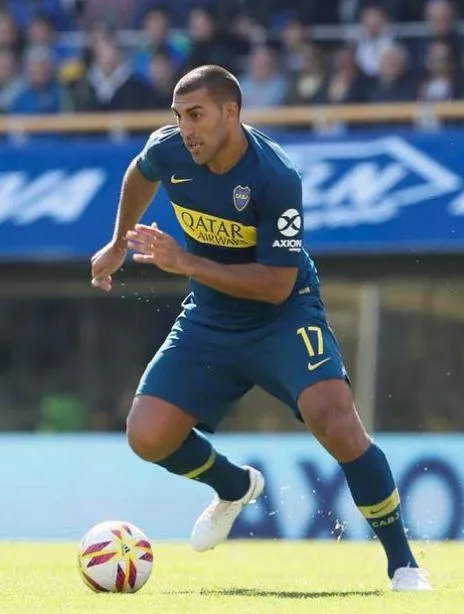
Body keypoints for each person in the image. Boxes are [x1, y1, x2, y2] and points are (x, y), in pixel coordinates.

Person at [89, 64, 430, 592]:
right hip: (210, 316)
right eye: (179, 117)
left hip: (283, 314)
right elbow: (140, 172)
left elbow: (275, 284)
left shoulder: (276, 177)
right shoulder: (171, 149)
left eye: (197, 115)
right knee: (148, 436)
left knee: (334, 418)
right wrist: (117, 244)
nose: (187, 129)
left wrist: (185, 263)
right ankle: (235, 486)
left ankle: (403, 564)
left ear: (232, 112)